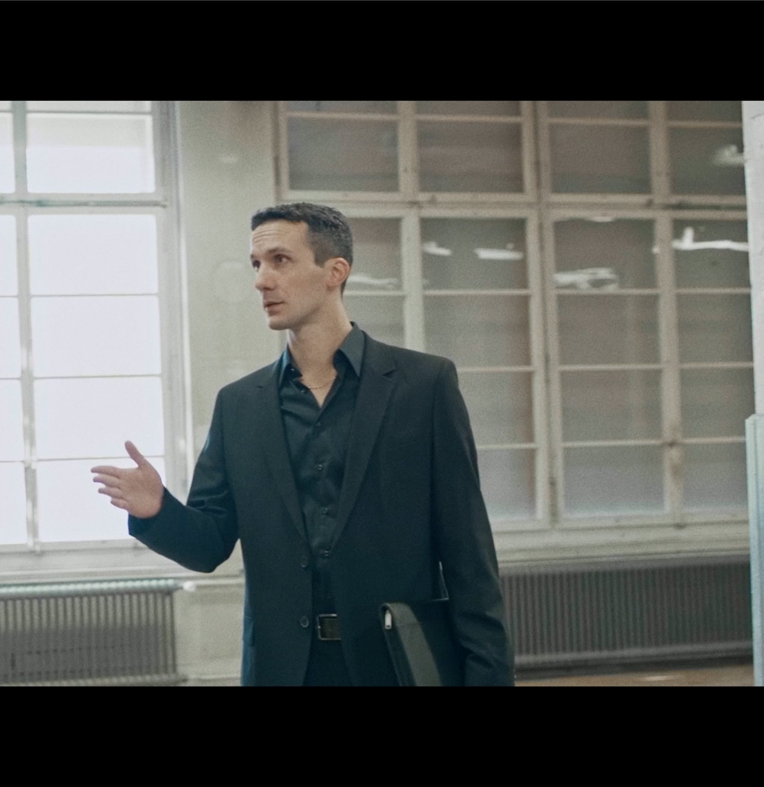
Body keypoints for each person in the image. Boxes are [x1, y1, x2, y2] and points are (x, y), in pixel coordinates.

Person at [92, 203, 513, 686]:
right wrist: (158, 510)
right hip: (284, 670)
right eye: (256, 264)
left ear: (335, 271)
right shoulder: (239, 405)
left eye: (280, 260)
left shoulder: (423, 386)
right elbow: (208, 546)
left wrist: (488, 676)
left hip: (395, 664)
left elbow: (468, 554)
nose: (261, 280)